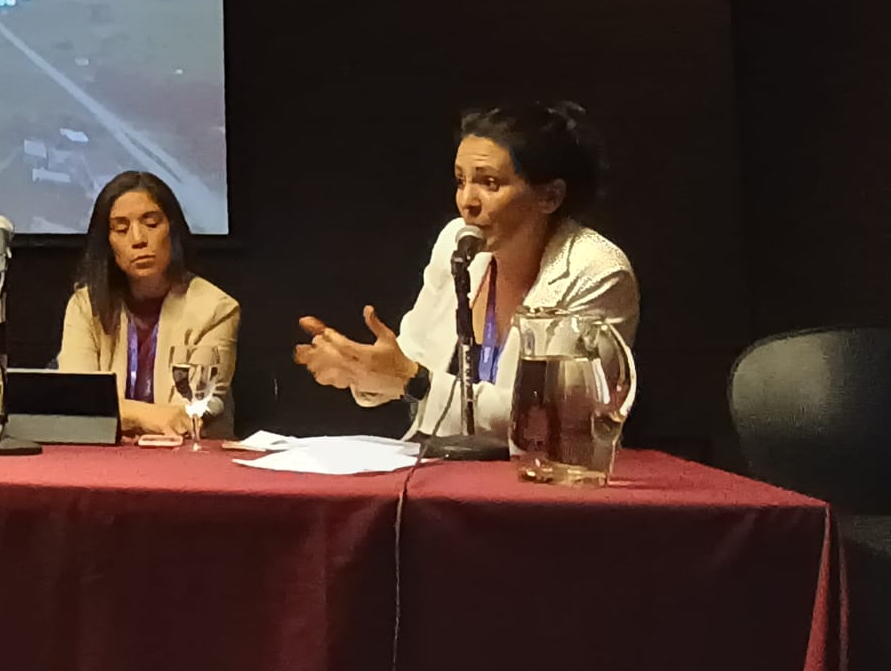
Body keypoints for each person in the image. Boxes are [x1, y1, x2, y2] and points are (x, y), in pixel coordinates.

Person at [294, 101, 638, 439]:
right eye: (461, 181)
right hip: (446, 466)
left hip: (541, 480)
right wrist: (360, 369)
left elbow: (550, 420)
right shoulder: (455, 242)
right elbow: (410, 360)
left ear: (549, 196)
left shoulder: (596, 271)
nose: (467, 202)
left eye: (489, 183)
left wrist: (410, 381)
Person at [58, 170, 240, 438]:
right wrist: (149, 415)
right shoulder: (86, 305)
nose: (138, 239)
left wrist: (119, 413)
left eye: (152, 224)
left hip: (187, 459)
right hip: (105, 458)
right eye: (121, 229)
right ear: (108, 244)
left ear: (173, 230)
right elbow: (76, 401)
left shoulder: (216, 309)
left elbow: (188, 415)